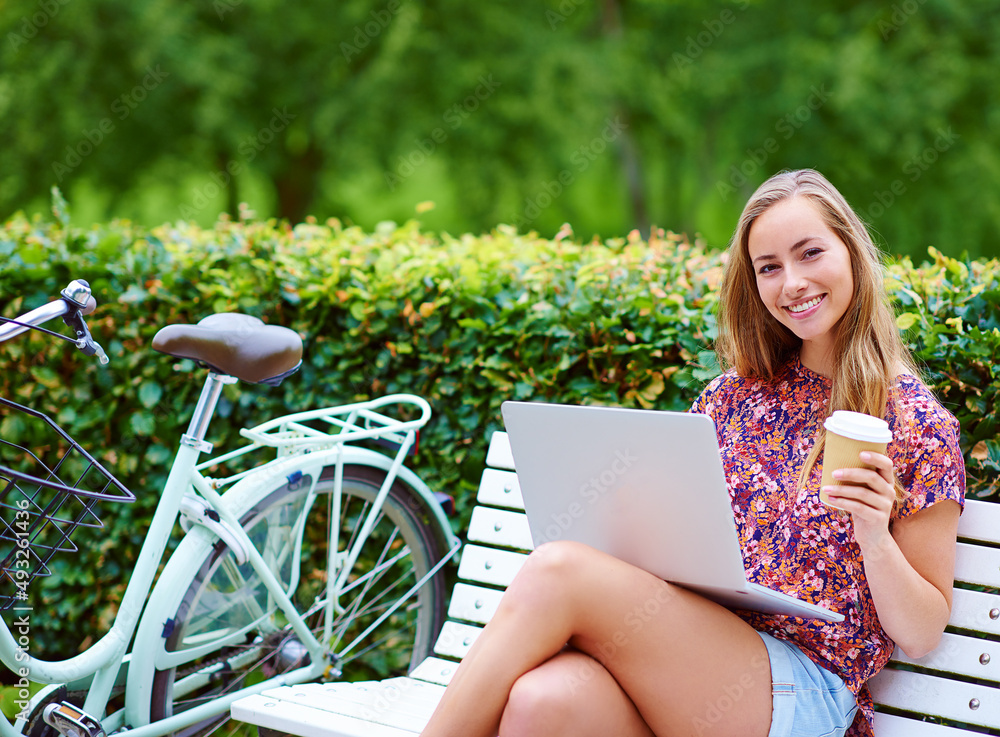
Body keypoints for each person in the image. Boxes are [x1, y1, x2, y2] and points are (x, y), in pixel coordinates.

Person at [419, 169, 965, 737]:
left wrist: (874, 536)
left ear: (850, 253)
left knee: (558, 571)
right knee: (544, 701)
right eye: (769, 268)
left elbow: (923, 632)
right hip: (689, 660)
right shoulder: (731, 397)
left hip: (804, 691)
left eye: (810, 253)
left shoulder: (912, 422)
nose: (792, 282)